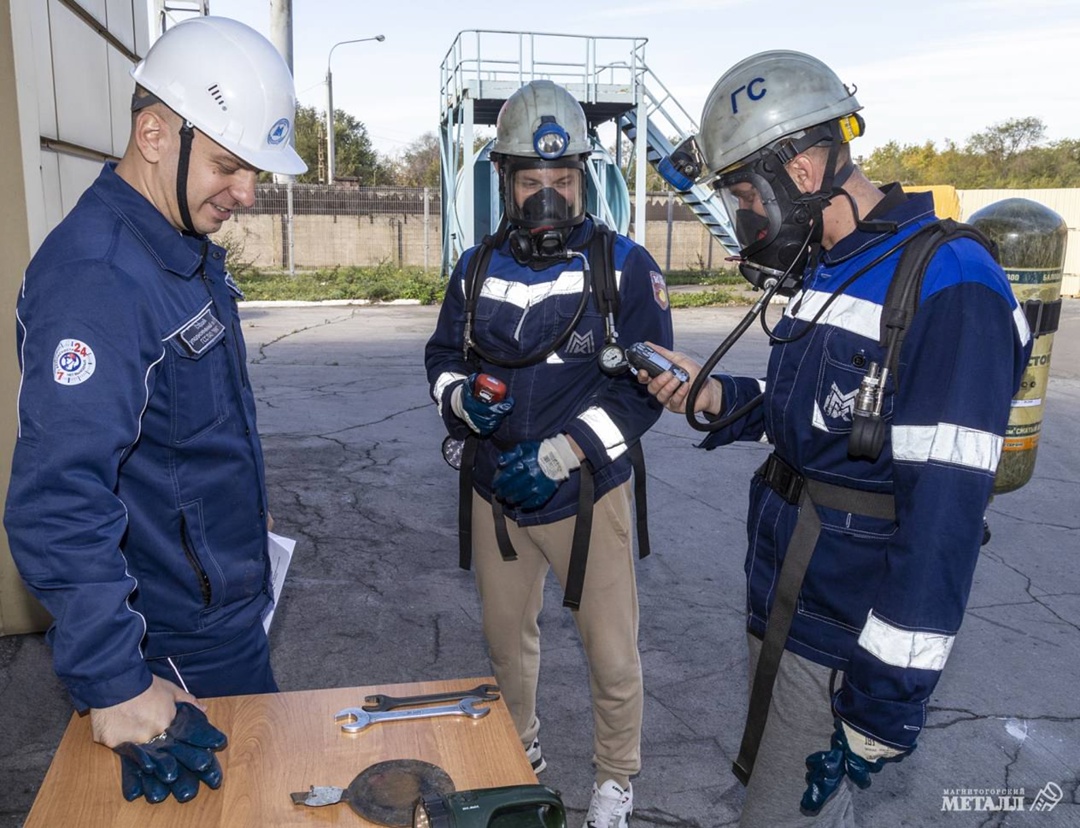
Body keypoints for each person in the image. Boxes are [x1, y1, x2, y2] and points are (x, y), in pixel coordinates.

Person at [639, 51, 1031, 826]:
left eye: (747, 192)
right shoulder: (834, 265)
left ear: (808, 165)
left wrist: (882, 701)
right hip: (787, 594)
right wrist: (717, 395)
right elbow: (827, 422)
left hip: (844, 627)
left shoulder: (950, 283)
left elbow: (944, 520)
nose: (744, 215)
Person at [3, 16, 306, 804]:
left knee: (261, 798)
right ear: (152, 133)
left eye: (253, 173)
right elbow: (57, 500)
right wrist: (116, 682)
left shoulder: (176, 248)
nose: (245, 194)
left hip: (223, 613)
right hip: (169, 645)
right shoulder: (99, 279)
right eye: (229, 166)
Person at [425, 79, 673, 827]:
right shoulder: (473, 270)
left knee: (612, 655)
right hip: (497, 491)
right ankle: (521, 757)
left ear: (585, 178)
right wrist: (460, 400)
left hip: (585, 496)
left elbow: (644, 391)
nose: (546, 198)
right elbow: (442, 356)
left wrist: (566, 454)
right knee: (507, 647)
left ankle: (614, 785)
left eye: (562, 181)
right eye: (530, 180)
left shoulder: (624, 268)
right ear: (503, 180)